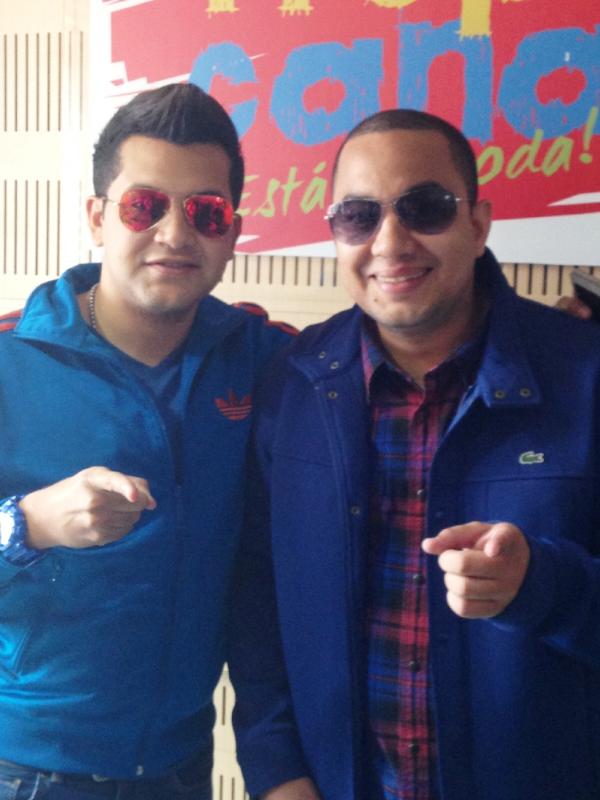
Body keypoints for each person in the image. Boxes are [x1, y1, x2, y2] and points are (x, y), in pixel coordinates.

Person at [229, 109, 600, 800]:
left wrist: (542, 586)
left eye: (425, 207)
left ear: (478, 225)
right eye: (358, 216)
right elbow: (257, 598)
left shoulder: (584, 374)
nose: (390, 242)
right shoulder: (294, 383)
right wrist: (277, 770)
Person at [0, 82, 302, 800]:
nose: (174, 234)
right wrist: (28, 523)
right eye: (145, 206)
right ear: (98, 217)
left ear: (232, 230)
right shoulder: (10, 358)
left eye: (205, 211)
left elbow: (386, 358)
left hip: (181, 767)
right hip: (22, 768)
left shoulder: (264, 358)